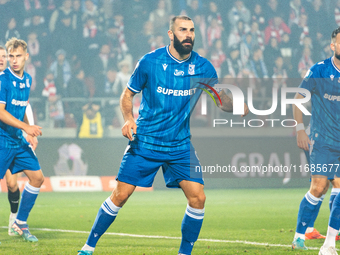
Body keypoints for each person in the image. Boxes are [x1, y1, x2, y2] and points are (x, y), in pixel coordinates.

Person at [77, 15, 249, 255]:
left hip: (179, 145)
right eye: (182, 30)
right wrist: (128, 119)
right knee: (121, 194)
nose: (188, 35)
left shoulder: (203, 67)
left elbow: (219, 99)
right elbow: (127, 95)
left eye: (191, 30)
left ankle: (184, 253)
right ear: (171, 34)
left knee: (198, 198)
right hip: (146, 141)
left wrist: (237, 105)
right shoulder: (150, 62)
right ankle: (88, 247)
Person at [291, 27, 340, 254]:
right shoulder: (319, 70)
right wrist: (300, 129)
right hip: (322, 140)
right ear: (333, 46)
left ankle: (329, 244)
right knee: (318, 188)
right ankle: (299, 236)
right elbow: (298, 99)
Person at [0, 37, 43, 242]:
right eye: (11, 56)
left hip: (17, 140)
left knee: (37, 178)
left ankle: (20, 222)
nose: (14, 60)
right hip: (2, 140)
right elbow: (1, 112)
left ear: (26, 56)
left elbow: (23, 106)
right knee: (9, 183)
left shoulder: (28, 79)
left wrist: (28, 132)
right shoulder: (3, 79)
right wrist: (27, 127)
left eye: (18, 56)